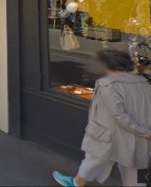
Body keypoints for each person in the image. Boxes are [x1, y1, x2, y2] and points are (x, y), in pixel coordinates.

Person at [53, 50, 151, 187]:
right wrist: (145, 132)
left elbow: (118, 114)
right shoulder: (144, 83)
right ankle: (76, 182)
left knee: (94, 159)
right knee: (137, 167)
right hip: (138, 136)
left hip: (110, 134)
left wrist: (144, 132)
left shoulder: (107, 84)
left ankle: (76, 183)